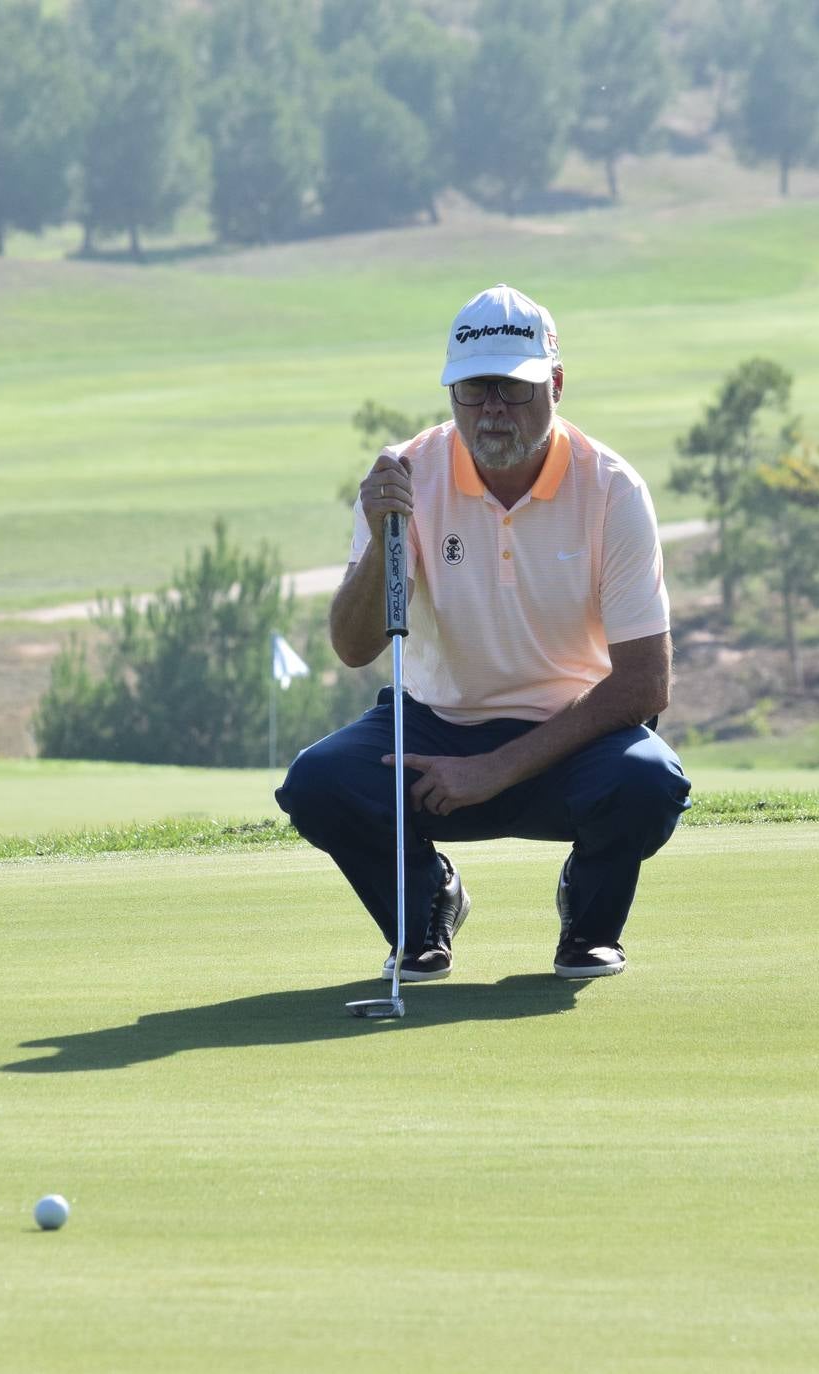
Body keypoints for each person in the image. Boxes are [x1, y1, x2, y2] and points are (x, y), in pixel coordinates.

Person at [275, 283, 692, 982]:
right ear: (450, 393)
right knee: (319, 782)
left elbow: (645, 685)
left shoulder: (612, 488)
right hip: (434, 730)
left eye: (513, 388)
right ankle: (424, 908)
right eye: (472, 391)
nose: (491, 410)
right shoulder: (404, 476)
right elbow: (353, 648)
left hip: (575, 738)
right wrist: (384, 538)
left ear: (554, 384)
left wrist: (494, 769)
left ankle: (588, 923)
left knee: (647, 782)